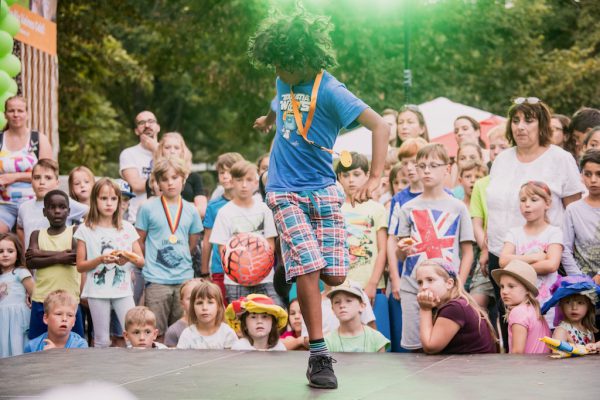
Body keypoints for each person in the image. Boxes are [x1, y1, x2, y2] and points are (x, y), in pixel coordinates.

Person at [249, 8, 389, 388]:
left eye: (282, 63)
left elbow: (380, 124)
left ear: (304, 59)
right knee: (310, 267)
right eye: (273, 62)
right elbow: (279, 103)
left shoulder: (330, 90)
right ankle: (318, 355)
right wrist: (268, 120)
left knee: (336, 274)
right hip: (282, 188)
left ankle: (290, 263)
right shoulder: (284, 81)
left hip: (324, 188)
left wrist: (375, 176)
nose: (276, 70)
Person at [486, 98, 584, 346]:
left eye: (528, 120)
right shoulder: (502, 159)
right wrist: (487, 250)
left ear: (541, 124)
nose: (520, 127)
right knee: (513, 325)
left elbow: (574, 211)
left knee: (546, 326)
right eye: (516, 120)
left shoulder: (560, 159)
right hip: (503, 254)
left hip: (545, 256)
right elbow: (495, 207)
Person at [393, 143, 474, 351]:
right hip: (413, 288)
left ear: (447, 168)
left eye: (433, 165)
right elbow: (400, 254)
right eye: (422, 166)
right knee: (415, 348)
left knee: (444, 346)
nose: (426, 170)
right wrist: (402, 249)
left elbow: (467, 252)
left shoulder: (458, 207)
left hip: (448, 291)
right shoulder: (407, 208)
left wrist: (459, 286)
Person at [136, 157, 203, 339]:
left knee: (184, 331)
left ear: (183, 179)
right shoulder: (147, 208)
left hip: (184, 280)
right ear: (157, 183)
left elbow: (192, 242)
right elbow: (139, 240)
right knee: (155, 331)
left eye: (174, 178)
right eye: (164, 179)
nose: (170, 183)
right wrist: (150, 262)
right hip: (156, 279)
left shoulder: (191, 210)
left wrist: (178, 256)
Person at [74, 178, 144, 348]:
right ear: (95, 200)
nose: (109, 203)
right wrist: (100, 259)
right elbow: (80, 266)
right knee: (102, 339)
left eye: (113, 199)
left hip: (123, 290)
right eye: (103, 198)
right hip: (97, 291)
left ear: (119, 201)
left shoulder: (127, 227)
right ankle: (101, 373)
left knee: (133, 335)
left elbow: (141, 261)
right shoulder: (85, 229)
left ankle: (137, 370)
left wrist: (126, 257)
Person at [210, 160, 281, 305]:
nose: (244, 185)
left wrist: (257, 270)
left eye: (248, 180)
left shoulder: (264, 209)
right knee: (238, 320)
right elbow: (223, 250)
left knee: (273, 314)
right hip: (235, 281)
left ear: (256, 183)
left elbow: (270, 245)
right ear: (231, 182)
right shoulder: (224, 213)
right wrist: (242, 270)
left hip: (265, 277)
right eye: (239, 180)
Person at [499, 181, 562, 328]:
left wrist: (516, 265)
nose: (527, 204)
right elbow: (503, 261)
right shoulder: (514, 233)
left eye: (534, 200)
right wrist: (533, 257)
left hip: (548, 307)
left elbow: (552, 264)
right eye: (523, 200)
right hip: (522, 309)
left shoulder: (553, 232)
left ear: (547, 204)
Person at [26, 190, 85, 339]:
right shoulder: (37, 234)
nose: (57, 211)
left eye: (62, 207)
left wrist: (41, 253)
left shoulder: (75, 231)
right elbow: (31, 261)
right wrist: (60, 256)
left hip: (69, 302)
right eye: (52, 207)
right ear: (45, 212)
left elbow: (74, 257)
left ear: (69, 211)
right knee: (38, 345)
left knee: (74, 345)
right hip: (42, 300)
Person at [335, 152, 387, 304]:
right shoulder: (334, 210)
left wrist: (373, 283)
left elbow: (382, 249)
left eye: (356, 174)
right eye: (346, 175)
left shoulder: (377, 209)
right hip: (342, 286)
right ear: (339, 177)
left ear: (367, 175)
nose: (351, 180)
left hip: (373, 286)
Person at [416, 259, 497, 354]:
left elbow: (430, 347)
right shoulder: (452, 303)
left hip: (474, 367)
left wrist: (425, 309)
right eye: (420, 282)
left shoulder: (455, 307)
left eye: (430, 280)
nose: (424, 287)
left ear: (449, 283)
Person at [0, 96, 52, 233]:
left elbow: (49, 174)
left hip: (34, 202)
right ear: (5, 114)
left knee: (30, 237)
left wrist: (14, 177)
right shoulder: (0, 140)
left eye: (20, 111)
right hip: (3, 204)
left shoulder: (38, 139)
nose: (16, 114)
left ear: (27, 114)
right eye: (11, 111)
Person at [16, 159, 88, 251]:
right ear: (31, 181)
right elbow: (20, 228)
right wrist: (24, 251)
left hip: (61, 260)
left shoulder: (65, 203)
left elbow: (91, 213)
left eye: (48, 178)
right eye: (37, 177)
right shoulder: (24, 207)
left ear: (57, 183)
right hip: (32, 261)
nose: (42, 182)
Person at [201, 152, 244, 299]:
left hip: (244, 268)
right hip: (220, 269)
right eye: (221, 172)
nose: (225, 176)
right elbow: (207, 240)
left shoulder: (249, 204)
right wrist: (204, 271)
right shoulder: (213, 206)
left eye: (229, 172)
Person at [492, 260, 551, 354]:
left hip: (526, 367)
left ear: (527, 289)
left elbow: (517, 353)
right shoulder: (533, 309)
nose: (504, 291)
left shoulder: (518, 312)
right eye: (502, 286)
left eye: (511, 286)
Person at [562, 150, 600, 283]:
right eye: (588, 174)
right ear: (581, 176)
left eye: (598, 174)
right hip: (582, 283)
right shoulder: (573, 210)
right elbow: (565, 248)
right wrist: (579, 278)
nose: (593, 180)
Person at [149, 132, 207, 219]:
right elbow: (151, 211)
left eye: (176, 148)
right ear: (161, 151)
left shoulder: (194, 177)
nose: (172, 151)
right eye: (167, 147)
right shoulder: (153, 178)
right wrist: (190, 205)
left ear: (182, 151)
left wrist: (174, 206)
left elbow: (202, 210)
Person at [325, 281, 390, 353]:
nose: (342, 305)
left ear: (362, 306)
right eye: (337, 302)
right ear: (333, 309)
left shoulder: (377, 339)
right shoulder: (327, 342)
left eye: (348, 300)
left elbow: (381, 364)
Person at [120, 110, 160, 223]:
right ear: (136, 131)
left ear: (158, 127)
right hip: (138, 220)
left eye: (151, 121)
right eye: (142, 123)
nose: (147, 125)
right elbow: (136, 185)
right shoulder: (128, 154)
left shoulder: (169, 150)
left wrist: (157, 150)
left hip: (167, 218)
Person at [176, 280, 237, 349]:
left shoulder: (227, 333)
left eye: (210, 302)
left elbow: (231, 359)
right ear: (193, 307)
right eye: (199, 303)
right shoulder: (187, 334)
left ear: (219, 306)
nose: (204, 308)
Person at [541, 275, 599, 347]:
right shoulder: (561, 331)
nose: (574, 307)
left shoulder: (588, 331)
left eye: (580, 303)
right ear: (561, 306)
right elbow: (557, 355)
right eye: (568, 302)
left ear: (589, 306)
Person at [0, 233, 34, 357]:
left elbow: (34, 294)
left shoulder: (20, 272)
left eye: (10, 251)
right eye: (1, 251)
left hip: (18, 318)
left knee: (18, 344)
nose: (5, 254)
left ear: (17, 253)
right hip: (2, 318)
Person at [24, 290, 88, 352]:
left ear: (74, 321)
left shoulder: (80, 346)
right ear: (46, 318)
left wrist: (56, 353)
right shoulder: (32, 347)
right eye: (59, 314)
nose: (64, 319)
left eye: (70, 315)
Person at [164, 278, 205, 347]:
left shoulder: (218, 327)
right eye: (190, 298)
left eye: (199, 298)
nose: (194, 302)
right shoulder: (174, 331)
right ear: (182, 303)